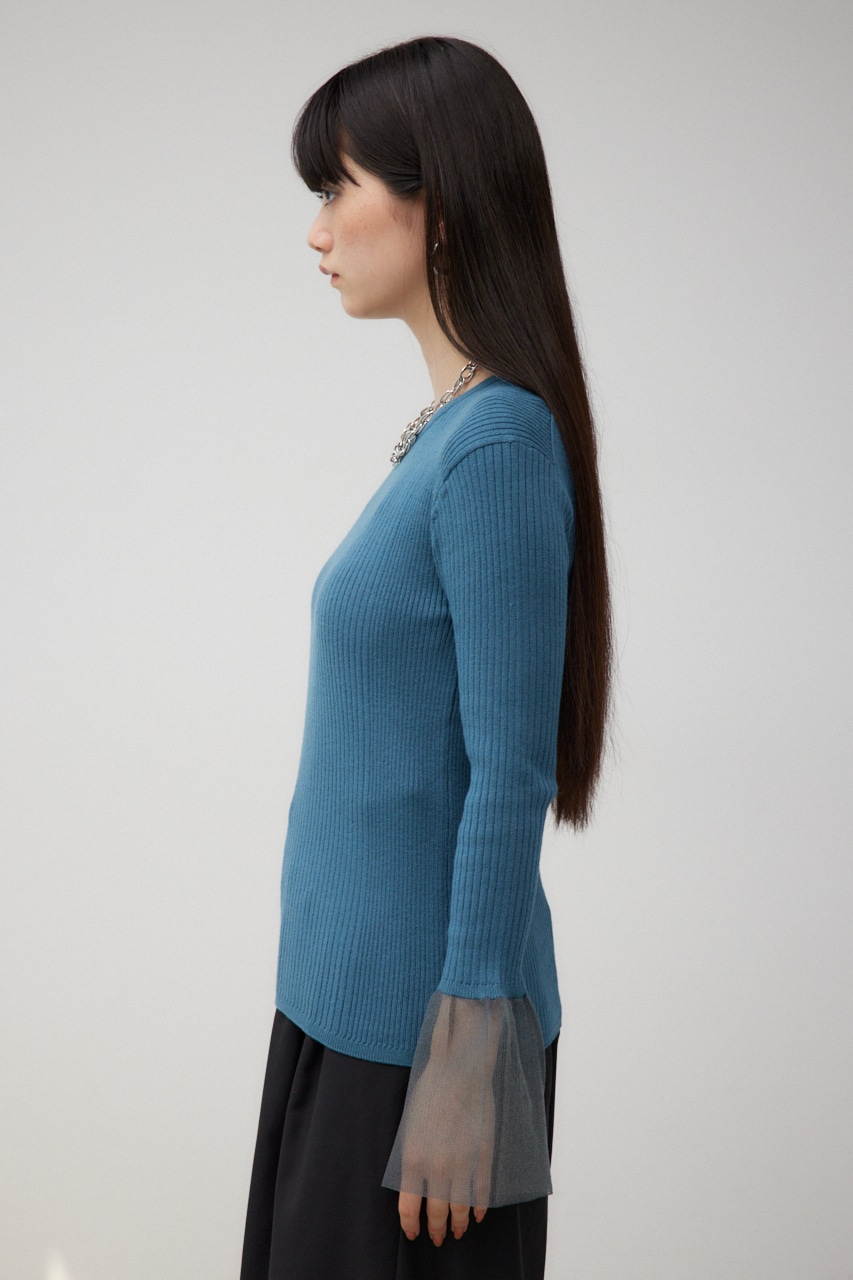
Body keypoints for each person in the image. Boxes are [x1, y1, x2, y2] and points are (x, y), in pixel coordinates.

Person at [239, 35, 612, 1280]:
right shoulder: (453, 434)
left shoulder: (495, 444)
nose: (317, 231)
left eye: (337, 188)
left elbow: (511, 774)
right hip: (346, 1017)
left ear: (436, 204)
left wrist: (463, 1062)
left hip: (419, 1044)